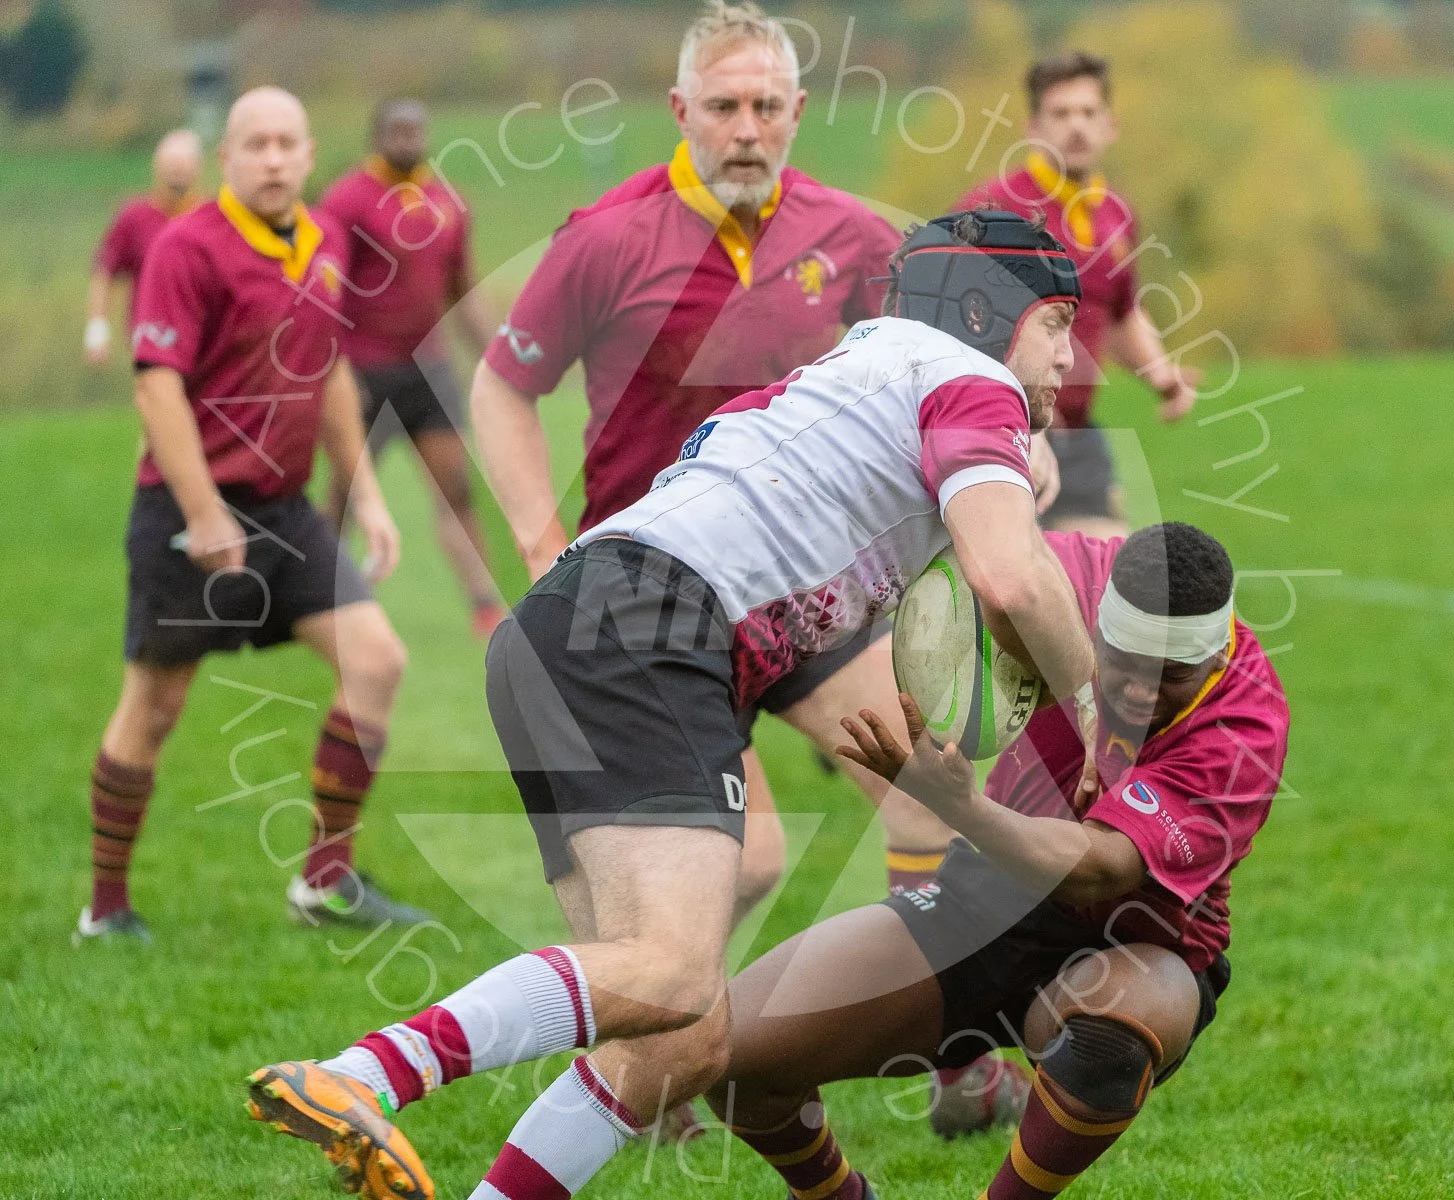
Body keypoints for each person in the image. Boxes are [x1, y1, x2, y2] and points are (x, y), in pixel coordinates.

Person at [245, 209, 1094, 1200]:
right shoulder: (969, 380)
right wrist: (1096, 709)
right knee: (676, 972)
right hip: (649, 629)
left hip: (570, 625)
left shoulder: (866, 364)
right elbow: (1012, 582)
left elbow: (927, 584)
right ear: (994, 316)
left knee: (677, 1034)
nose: (1071, 359)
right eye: (1059, 324)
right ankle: (365, 1076)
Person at [470, 0, 961, 924]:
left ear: (799, 112)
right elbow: (501, 390)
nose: (747, 131)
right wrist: (542, 546)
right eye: (725, 107)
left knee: (933, 792)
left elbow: (923, 371)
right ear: (680, 110)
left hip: (800, 582)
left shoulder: (852, 236)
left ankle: (950, 1057)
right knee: (747, 865)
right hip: (652, 595)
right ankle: (710, 1059)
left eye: (767, 108)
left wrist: (997, 448)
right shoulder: (604, 239)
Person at [707, 521, 1289, 1200]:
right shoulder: (1060, 579)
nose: (1137, 691)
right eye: (1123, 660)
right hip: (986, 898)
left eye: (1171, 677)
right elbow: (970, 543)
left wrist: (963, 807)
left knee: (1112, 1039)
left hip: (1138, 940)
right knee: (731, 1056)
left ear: (1215, 654)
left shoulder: (1244, 725)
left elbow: (1101, 868)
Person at [75, 87, 429, 945]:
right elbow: (155, 385)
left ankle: (325, 882)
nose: (272, 159)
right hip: (185, 511)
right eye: (255, 144)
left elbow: (330, 373)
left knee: (377, 661)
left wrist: (369, 494)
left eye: (286, 144)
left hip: (286, 512)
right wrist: (202, 514)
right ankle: (107, 910)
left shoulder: (325, 242)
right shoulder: (185, 248)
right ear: (226, 158)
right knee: (155, 707)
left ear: (309, 155)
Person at [956, 51, 1198, 539]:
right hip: (1000, 433)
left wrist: (1164, 377)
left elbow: (1123, 313)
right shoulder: (992, 210)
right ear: (1033, 126)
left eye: (1089, 113)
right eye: (1061, 114)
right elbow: (941, 322)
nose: (1077, 127)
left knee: (1107, 581)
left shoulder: (1117, 214)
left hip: (1079, 434)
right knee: (1006, 600)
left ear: (1111, 125)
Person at [320, 100, 507, 639]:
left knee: (457, 489)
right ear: (376, 135)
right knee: (345, 492)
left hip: (429, 369)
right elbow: (324, 286)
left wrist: (499, 357)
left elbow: (461, 292)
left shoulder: (448, 201)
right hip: (362, 371)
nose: (408, 140)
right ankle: (316, 598)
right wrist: (325, 363)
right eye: (396, 131)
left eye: (415, 131)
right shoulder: (347, 199)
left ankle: (485, 606)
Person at [84, 129, 203, 366]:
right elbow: (105, 270)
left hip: (202, 334)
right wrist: (96, 330)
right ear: (156, 167)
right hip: (151, 335)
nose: (176, 171)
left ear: (197, 166)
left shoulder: (210, 216)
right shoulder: (135, 217)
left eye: (183, 163)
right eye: (170, 164)